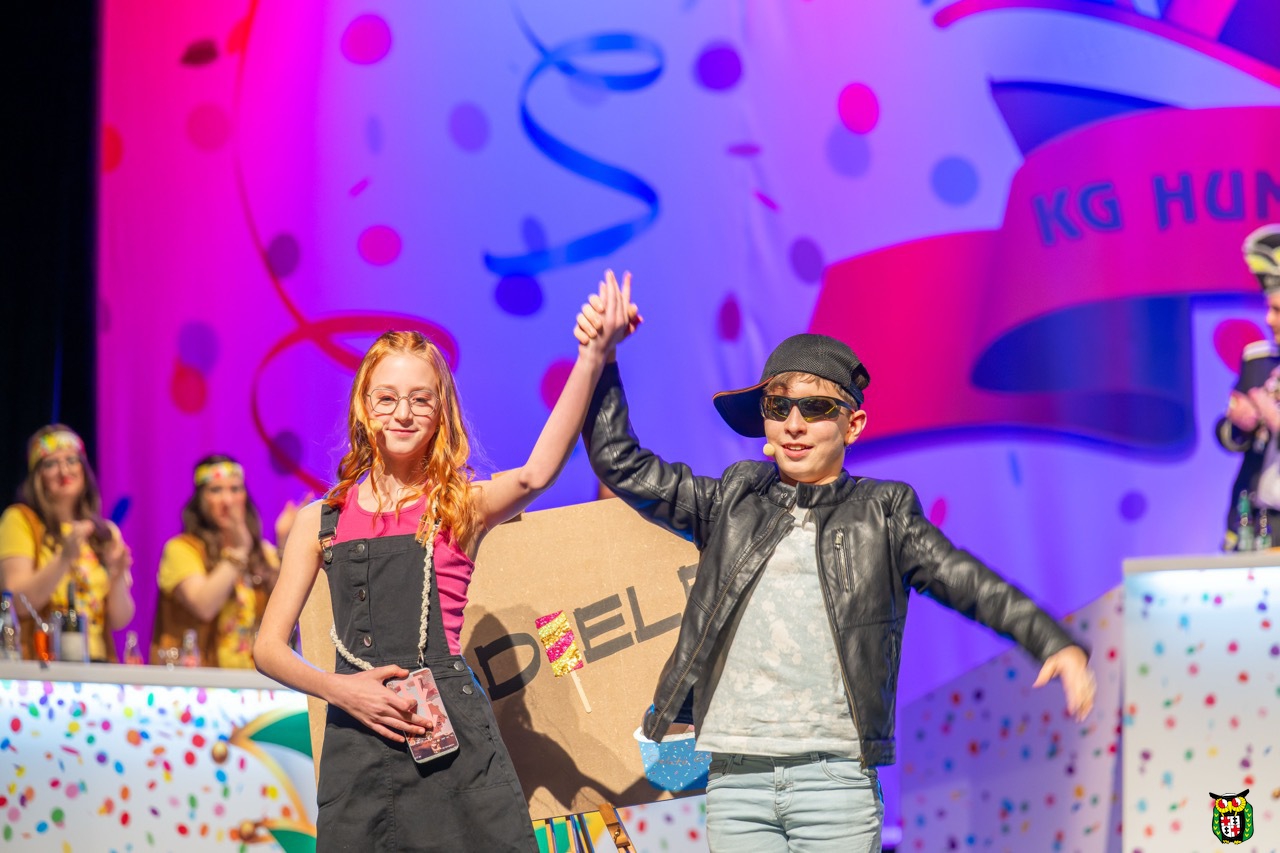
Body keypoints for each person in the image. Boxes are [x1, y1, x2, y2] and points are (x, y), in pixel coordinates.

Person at [575, 274, 1095, 852]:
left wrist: (1051, 640)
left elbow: (968, 582)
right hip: (734, 780)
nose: (794, 424)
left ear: (854, 424)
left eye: (816, 407)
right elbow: (620, 464)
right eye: (778, 407)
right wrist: (604, 359)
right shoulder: (732, 498)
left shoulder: (884, 512)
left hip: (834, 782)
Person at [254, 277, 637, 852]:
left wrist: (592, 356)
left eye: (421, 399)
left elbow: (536, 473)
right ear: (364, 407)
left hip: (452, 746)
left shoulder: (459, 506)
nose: (403, 413)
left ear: (441, 411)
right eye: (387, 398)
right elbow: (268, 648)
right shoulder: (321, 519)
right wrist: (342, 691)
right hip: (356, 748)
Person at [0, 425, 135, 661]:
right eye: (51, 464)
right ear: (37, 476)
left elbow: (120, 620)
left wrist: (116, 576)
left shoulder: (104, 533)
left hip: (97, 663)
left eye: (72, 460)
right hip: (42, 662)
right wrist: (64, 558)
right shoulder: (21, 521)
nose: (64, 471)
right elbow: (18, 602)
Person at [153, 455, 280, 667]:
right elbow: (204, 606)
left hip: (254, 679)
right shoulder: (182, 549)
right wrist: (238, 551)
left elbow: (287, 608)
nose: (227, 501)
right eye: (216, 490)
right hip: (199, 678)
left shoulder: (263, 552)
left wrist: (285, 545)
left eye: (235, 489)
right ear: (201, 499)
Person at [1217, 224, 1280, 550]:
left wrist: (1274, 418)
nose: (1268, 320)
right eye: (1269, 308)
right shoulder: (1259, 361)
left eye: (1278, 310)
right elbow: (1227, 436)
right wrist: (1240, 425)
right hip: (1261, 520)